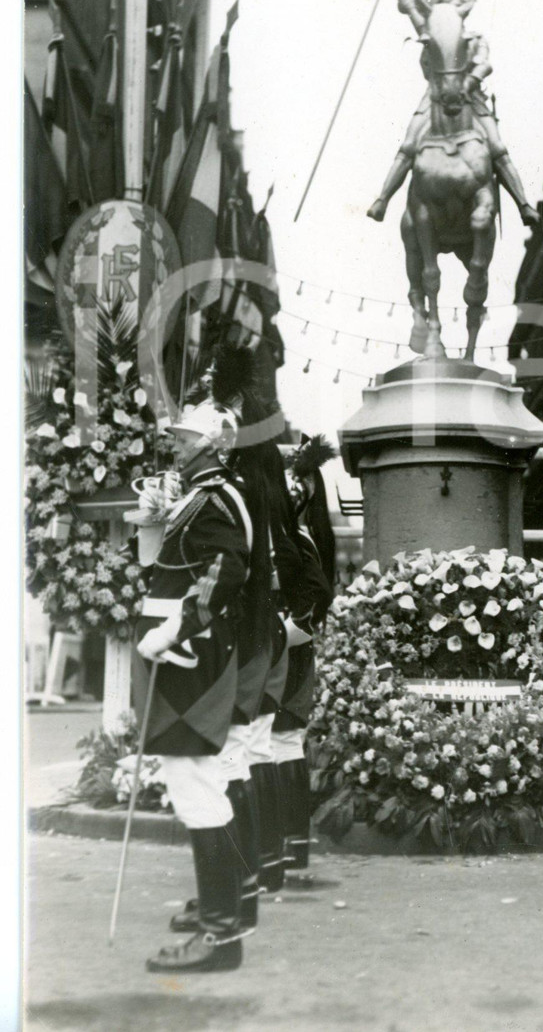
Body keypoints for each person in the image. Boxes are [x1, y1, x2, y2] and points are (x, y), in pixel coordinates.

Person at [134, 397, 257, 973]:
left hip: (189, 656)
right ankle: (224, 925)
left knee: (194, 780)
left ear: (210, 443)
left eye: (184, 439)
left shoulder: (212, 498)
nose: (175, 445)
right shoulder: (202, 495)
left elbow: (226, 570)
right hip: (187, 652)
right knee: (201, 778)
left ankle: (220, 935)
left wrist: (174, 630)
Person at [366, 0, 538, 229]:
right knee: (409, 144)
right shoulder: (430, 28)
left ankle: (524, 204)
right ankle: (383, 198)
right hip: (434, 97)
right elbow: (408, 3)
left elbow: (484, 65)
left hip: (470, 98)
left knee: (496, 146)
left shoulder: (474, 37)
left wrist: (468, 84)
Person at [272, 435, 337, 878]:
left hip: (284, 647)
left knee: (278, 741)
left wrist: (293, 630)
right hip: (283, 643)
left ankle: (285, 844)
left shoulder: (297, 536)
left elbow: (318, 592)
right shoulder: (298, 533)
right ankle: (289, 845)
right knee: (279, 742)